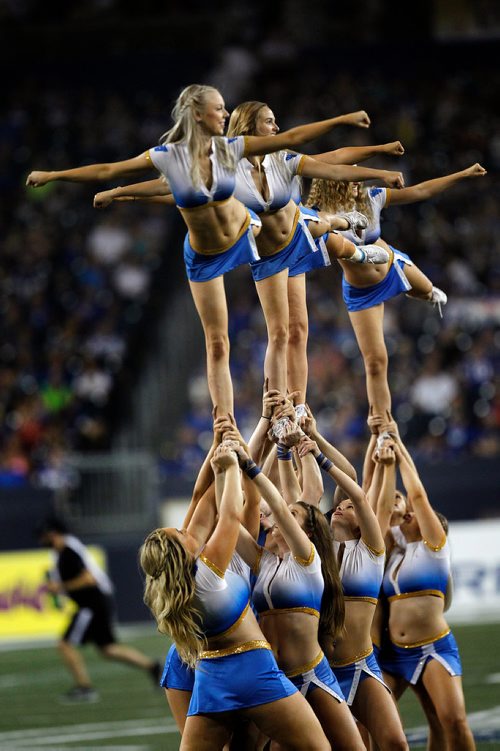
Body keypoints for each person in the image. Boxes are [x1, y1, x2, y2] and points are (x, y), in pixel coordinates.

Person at [26, 84, 399, 419]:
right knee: (226, 339)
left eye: (225, 109)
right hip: (216, 251)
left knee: (296, 239)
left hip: (246, 235)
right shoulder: (172, 157)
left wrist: (347, 123)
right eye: (218, 108)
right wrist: (60, 177)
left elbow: (304, 141)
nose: (224, 113)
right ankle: (231, 419)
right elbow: (112, 169)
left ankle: (347, 240)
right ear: (197, 114)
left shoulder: (235, 150)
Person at [141, 437, 331, 751]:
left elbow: (202, 505)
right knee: (318, 748)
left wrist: (220, 447)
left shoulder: (175, 584)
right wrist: (229, 467)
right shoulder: (207, 572)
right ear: (182, 553)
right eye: (180, 533)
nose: (187, 529)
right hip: (254, 670)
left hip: (212, 679)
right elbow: (228, 515)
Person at [305, 162, 487, 420]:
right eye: (354, 176)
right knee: (376, 362)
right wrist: (339, 221)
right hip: (362, 292)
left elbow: (421, 192)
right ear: (336, 180)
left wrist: (462, 173)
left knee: (429, 292)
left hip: (392, 264)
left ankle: (418, 291)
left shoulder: (373, 197)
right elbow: (315, 225)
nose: (360, 180)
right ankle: (382, 422)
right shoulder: (323, 213)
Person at [232, 440, 366, 750]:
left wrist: (253, 466)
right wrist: (226, 468)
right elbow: (229, 521)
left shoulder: (307, 559)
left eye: (292, 516)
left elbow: (279, 505)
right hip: (273, 678)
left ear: (304, 532)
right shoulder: (264, 561)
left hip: (313, 673)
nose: (281, 517)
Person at [297, 437, 409, 750]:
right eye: (339, 506)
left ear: (365, 523)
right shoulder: (316, 549)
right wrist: (306, 446)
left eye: (349, 508)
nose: (342, 508)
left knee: (395, 742)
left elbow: (357, 492)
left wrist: (318, 451)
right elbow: (309, 498)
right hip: (319, 669)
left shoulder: (373, 550)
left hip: (360, 664)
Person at [375, 432, 476, 751]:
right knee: (376, 721)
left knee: (453, 722)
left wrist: (401, 453)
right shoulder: (396, 551)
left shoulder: (435, 548)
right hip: (394, 654)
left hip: (432, 649)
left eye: (415, 516)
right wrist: (384, 457)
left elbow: (417, 496)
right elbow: (381, 507)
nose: (408, 514)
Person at [38, 515, 161, 703]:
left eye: (44, 536)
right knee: (108, 649)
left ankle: (84, 687)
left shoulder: (69, 551)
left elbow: (89, 580)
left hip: (91, 603)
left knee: (65, 644)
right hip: (96, 602)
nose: (41, 540)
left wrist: (61, 587)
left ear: (53, 534)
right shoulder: (66, 550)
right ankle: (152, 666)